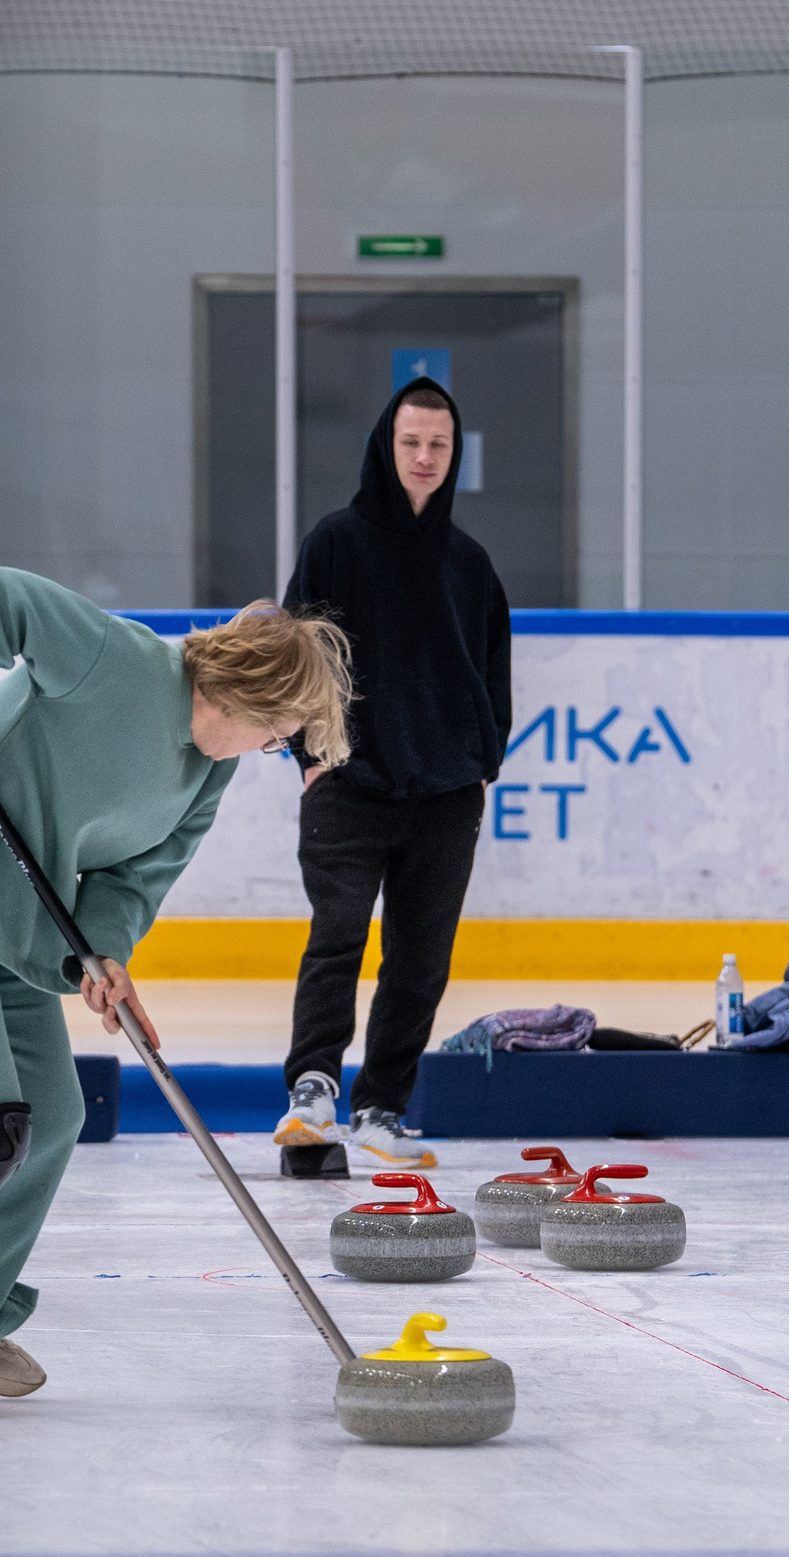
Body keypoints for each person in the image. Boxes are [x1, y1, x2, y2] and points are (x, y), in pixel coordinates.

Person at [0, 569, 352, 1418]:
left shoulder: (206, 775)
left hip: (7, 923)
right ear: (248, 694)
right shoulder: (122, 661)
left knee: (54, 1113)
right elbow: (5, 597)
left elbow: (131, 879)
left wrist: (104, 955)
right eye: (278, 734)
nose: (272, 750)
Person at [275, 377, 512, 1168]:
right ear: (387, 444)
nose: (423, 457)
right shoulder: (336, 541)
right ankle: (312, 1089)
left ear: (455, 453)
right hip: (348, 782)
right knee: (336, 940)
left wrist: (484, 763)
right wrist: (311, 758)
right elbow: (294, 654)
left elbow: (493, 671)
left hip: (445, 796)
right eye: (411, 442)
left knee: (420, 958)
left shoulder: (470, 565)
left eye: (438, 445)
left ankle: (383, 1108)